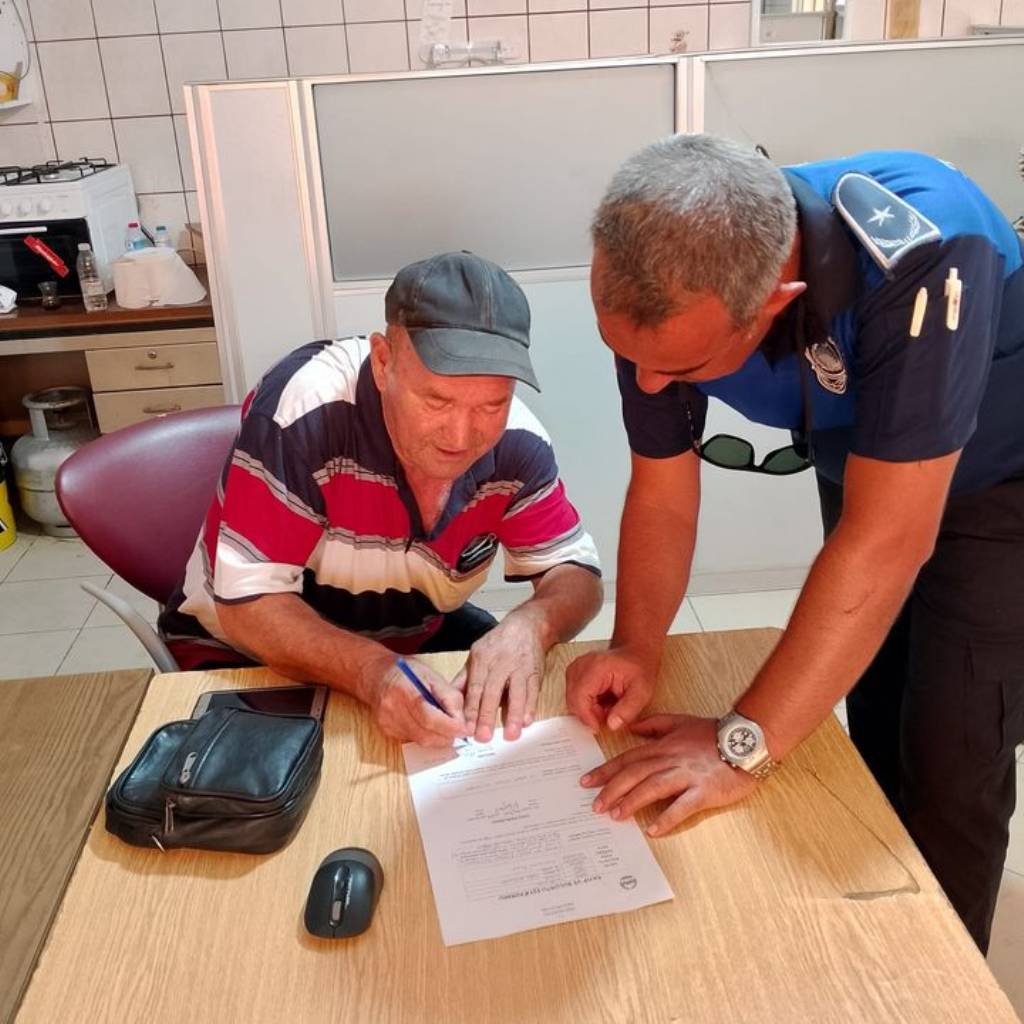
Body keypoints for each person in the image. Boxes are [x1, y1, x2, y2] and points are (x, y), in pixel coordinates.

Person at [566, 133, 1024, 952]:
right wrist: (636, 647)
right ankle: (881, 921)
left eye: (684, 366)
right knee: (874, 702)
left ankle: (942, 977)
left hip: (1005, 487)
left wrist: (739, 745)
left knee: (953, 748)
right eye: (626, 355)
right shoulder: (659, 292)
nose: (648, 385)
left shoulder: (923, 252)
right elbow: (664, 491)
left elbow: (889, 543)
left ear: (778, 297)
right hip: (867, 462)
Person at [160, 251, 602, 748]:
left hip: (405, 636)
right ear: (383, 362)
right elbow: (249, 608)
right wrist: (374, 674)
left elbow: (576, 574)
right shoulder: (303, 414)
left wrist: (533, 623)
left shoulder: (517, 442)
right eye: (436, 400)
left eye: (491, 404)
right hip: (245, 652)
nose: (461, 436)